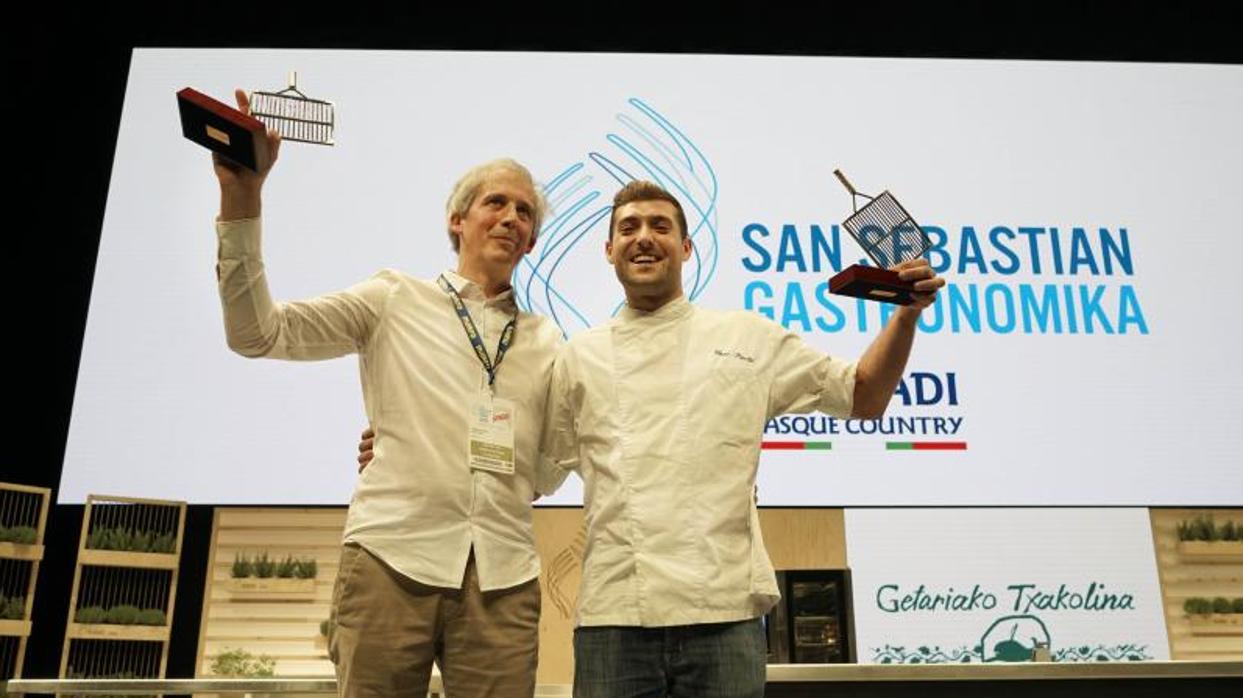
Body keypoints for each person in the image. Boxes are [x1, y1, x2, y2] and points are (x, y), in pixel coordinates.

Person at [211, 89, 561, 697]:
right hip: (391, 559)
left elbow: (552, 465)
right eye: (495, 203)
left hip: (504, 579)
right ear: (458, 221)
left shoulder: (549, 342)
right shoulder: (393, 299)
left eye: (524, 213)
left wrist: (462, 452)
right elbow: (257, 333)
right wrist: (243, 199)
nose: (510, 217)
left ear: (531, 242)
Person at [539, 180, 945, 697]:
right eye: (629, 228)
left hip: (724, 615)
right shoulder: (578, 356)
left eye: (660, 227)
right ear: (609, 250)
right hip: (615, 615)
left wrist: (905, 315)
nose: (644, 238)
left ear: (686, 249)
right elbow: (538, 473)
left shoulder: (748, 337)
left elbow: (864, 396)